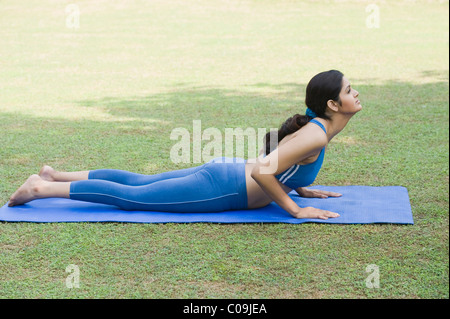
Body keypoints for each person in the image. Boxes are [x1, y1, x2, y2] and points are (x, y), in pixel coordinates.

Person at [8, 70, 361, 219]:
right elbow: (263, 170)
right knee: (133, 197)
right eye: (349, 90)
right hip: (227, 187)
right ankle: (41, 188)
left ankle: (55, 174)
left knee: (138, 182)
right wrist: (295, 209)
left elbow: (282, 160)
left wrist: (299, 186)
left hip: (224, 174)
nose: (355, 93)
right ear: (332, 105)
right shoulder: (317, 133)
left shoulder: (314, 124)